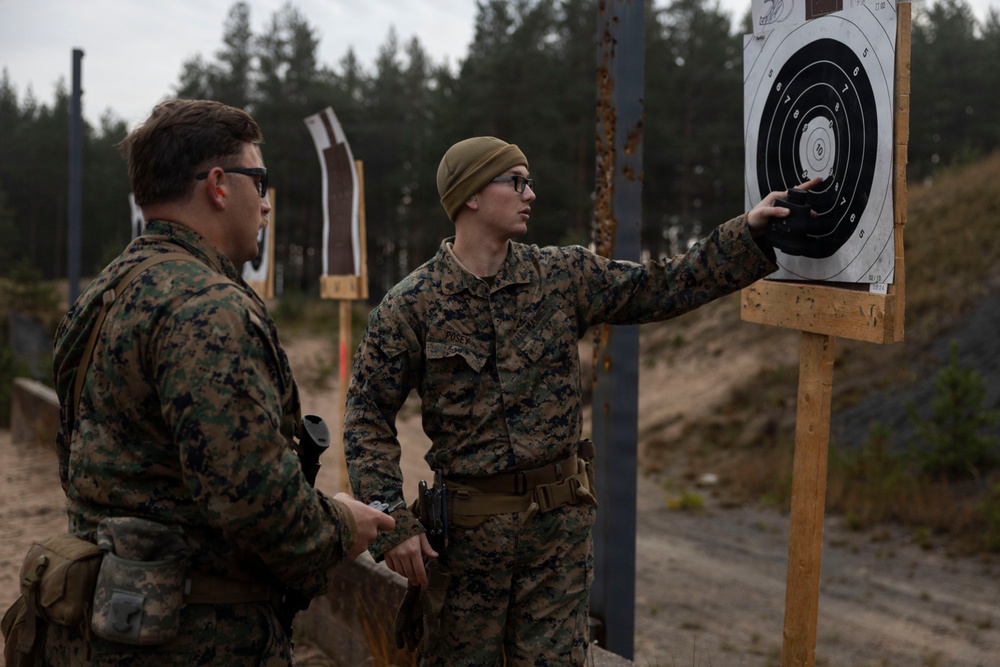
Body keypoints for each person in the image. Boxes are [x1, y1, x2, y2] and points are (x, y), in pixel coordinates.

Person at [344, 136, 818, 665]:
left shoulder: (562, 276)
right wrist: (392, 523)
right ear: (471, 195)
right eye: (517, 181)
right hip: (466, 550)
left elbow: (658, 285)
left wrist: (745, 232)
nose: (532, 194)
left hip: (557, 543)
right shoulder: (413, 304)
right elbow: (366, 415)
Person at [46, 99, 393, 666]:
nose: (267, 203)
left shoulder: (105, 292)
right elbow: (251, 497)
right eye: (259, 181)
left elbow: (80, 460)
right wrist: (338, 524)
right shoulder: (206, 307)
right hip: (196, 638)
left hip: (111, 620)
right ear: (217, 185)